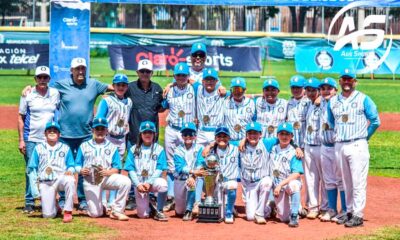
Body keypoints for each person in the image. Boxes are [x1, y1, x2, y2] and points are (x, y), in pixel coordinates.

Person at [54, 57, 113, 211]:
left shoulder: (93, 84)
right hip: (65, 134)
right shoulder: (61, 85)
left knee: (83, 168)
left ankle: (81, 199)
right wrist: (28, 87)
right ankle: (62, 199)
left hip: (85, 134)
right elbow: (44, 87)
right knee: (63, 167)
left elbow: (116, 87)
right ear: (71, 71)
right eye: (77, 69)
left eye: (83, 68)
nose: (80, 71)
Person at [327, 68, 380, 227]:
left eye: (350, 79)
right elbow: (331, 122)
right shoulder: (333, 101)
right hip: (340, 145)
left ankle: (358, 214)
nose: (347, 82)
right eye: (344, 79)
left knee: (358, 182)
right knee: (345, 181)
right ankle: (349, 211)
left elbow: (375, 121)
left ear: (355, 81)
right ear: (340, 81)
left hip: (357, 144)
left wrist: (365, 137)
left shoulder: (364, 99)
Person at [18, 66, 59, 214]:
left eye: (45, 77)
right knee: (31, 169)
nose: (42, 80)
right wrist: (21, 140)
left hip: (49, 139)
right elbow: (21, 117)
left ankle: (48, 199)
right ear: (35, 79)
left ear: (49, 79)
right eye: (39, 77)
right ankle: (29, 201)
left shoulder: (55, 93)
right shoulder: (27, 94)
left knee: (50, 168)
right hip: (31, 138)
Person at [125, 59, 164, 211]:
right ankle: (133, 196)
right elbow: (119, 95)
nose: (145, 74)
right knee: (133, 166)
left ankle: (152, 194)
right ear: (137, 72)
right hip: (134, 134)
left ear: (151, 73)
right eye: (142, 71)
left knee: (152, 164)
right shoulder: (130, 88)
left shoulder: (157, 89)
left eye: (147, 71)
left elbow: (161, 107)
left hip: (151, 137)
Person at [75, 117, 131, 221]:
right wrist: (81, 170)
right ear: (93, 130)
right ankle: (101, 208)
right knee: (96, 214)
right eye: (97, 129)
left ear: (107, 130)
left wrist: (108, 172)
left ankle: (117, 211)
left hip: (106, 178)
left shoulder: (112, 147)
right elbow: (77, 165)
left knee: (125, 181)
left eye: (102, 129)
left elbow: (117, 168)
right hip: (90, 180)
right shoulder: (84, 146)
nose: (100, 131)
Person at [162, 62, 198, 211]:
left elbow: (210, 86)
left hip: (188, 132)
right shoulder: (169, 91)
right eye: (178, 75)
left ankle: (193, 196)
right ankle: (171, 197)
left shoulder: (194, 88)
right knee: (171, 164)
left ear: (188, 76)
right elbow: (163, 106)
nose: (181, 78)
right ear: (174, 76)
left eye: (184, 75)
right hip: (172, 129)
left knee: (192, 161)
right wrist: (170, 85)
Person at [96, 73, 132, 212]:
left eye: (123, 85)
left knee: (117, 168)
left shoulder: (129, 102)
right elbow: (99, 118)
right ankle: (103, 200)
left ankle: (112, 200)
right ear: (113, 86)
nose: (120, 87)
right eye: (118, 85)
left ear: (127, 86)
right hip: (108, 137)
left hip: (121, 138)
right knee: (104, 167)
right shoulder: (106, 101)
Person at [27, 121, 75, 223]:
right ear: (45, 133)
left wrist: (70, 170)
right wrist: (35, 191)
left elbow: (71, 165)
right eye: (49, 130)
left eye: (55, 130)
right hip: (45, 181)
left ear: (59, 134)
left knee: (70, 180)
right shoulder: (38, 148)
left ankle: (68, 211)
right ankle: (56, 206)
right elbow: (31, 169)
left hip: (60, 179)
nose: (52, 132)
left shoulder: (65, 148)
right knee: (48, 215)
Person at [124, 121, 169, 221]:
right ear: (140, 134)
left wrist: (149, 182)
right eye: (145, 133)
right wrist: (138, 184)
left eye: (150, 132)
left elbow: (159, 169)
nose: (147, 135)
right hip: (139, 184)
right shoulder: (133, 149)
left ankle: (159, 210)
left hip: (153, 182)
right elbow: (130, 169)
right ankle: (149, 206)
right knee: (143, 215)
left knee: (163, 185)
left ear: (154, 134)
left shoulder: (159, 149)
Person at [318, 77, 347, 222]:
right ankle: (331, 209)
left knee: (341, 179)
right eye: (322, 88)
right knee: (328, 180)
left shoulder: (340, 102)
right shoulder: (321, 101)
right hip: (324, 146)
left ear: (335, 90)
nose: (325, 91)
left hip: (337, 146)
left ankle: (345, 210)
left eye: (329, 88)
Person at [301, 77, 328, 219]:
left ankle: (325, 207)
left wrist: (322, 100)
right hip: (308, 146)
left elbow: (332, 96)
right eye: (308, 90)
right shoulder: (307, 104)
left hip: (321, 146)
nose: (311, 93)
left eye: (314, 90)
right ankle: (313, 207)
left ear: (319, 90)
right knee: (310, 178)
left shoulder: (325, 102)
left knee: (324, 178)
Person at [202, 126, 240, 224]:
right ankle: (228, 206)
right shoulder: (210, 151)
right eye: (219, 136)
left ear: (229, 138)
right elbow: (201, 160)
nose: (222, 138)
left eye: (225, 136)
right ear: (215, 138)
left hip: (229, 180)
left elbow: (248, 139)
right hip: (216, 182)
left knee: (233, 186)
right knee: (218, 214)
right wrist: (209, 145)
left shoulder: (236, 148)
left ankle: (229, 212)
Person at [239, 122, 274, 224]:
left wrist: (297, 147)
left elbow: (285, 138)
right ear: (246, 135)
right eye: (250, 133)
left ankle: (260, 214)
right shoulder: (240, 145)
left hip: (262, 180)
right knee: (250, 217)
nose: (252, 136)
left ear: (260, 134)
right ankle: (269, 207)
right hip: (250, 185)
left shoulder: (266, 143)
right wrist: (210, 145)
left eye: (255, 133)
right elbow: (223, 140)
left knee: (267, 182)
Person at [270, 122, 304, 227]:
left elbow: (297, 174)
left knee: (293, 184)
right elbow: (254, 139)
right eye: (282, 134)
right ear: (277, 135)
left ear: (292, 136)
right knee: (284, 218)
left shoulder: (295, 152)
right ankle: (296, 207)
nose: (284, 136)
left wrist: (281, 184)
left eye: (287, 134)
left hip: (288, 184)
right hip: (278, 188)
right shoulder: (271, 147)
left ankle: (295, 214)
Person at [173, 122, 205, 221]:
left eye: (190, 134)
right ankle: (186, 207)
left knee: (193, 182)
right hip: (180, 179)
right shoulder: (177, 150)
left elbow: (201, 163)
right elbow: (180, 167)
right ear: (182, 136)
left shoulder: (200, 148)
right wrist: (193, 172)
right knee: (179, 211)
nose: (188, 137)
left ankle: (190, 209)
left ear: (195, 136)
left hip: (194, 178)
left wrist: (193, 176)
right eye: (185, 134)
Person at [196, 68, 227, 146]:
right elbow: (185, 80)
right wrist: (171, 85)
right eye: (207, 79)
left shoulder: (223, 93)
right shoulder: (198, 88)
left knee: (215, 157)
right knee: (200, 156)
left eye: (212, 80)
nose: (209, 82)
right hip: (201, 132)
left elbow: (239, 95)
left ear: (217, 81)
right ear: (202, 81)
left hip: (216, 132)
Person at [222, 77, 255, 144]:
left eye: (239, 89)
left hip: (246, 142)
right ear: (231, 90)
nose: (237, 92)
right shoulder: (224, 102)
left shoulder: (252, 103)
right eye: (234, 89)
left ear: (245, 90)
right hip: (229, 142)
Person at [286, 75, 306, 148]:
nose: (295, 90)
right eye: (293, 87)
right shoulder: (287, 103)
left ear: (304, 88)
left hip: (306, 145)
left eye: (298, 87)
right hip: (291, 145)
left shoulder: (310, 102)